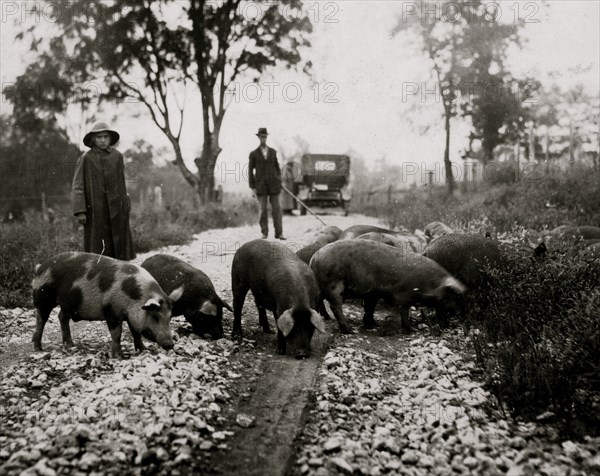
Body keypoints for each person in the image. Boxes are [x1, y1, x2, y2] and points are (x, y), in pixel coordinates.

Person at [72, 121, 135, 260]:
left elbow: (121, 182)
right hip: (95, 209)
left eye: (105, 136)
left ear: (110, 138)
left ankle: (119, 271)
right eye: (99, 137)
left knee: (118, 243)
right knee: (97, 245)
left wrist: (125, 204)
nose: (102, 140)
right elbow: (78, 184)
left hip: (116, 208)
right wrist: (80, 210)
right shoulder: (86, 158)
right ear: (93, 139)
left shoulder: (117, 156)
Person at [248, 128, 285, 240]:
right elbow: (250, 171)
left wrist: (279, 181)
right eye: (261, 136)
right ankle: (264, 233)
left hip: (274, 186)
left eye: (265, 136)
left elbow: (277, 168)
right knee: (263, 209)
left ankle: (279, 233)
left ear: (266, 137)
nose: (263, 138)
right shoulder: (253, 154)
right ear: (258, 137)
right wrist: (252, 186)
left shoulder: (273, 152)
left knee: (277, 209)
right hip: (260, 186)